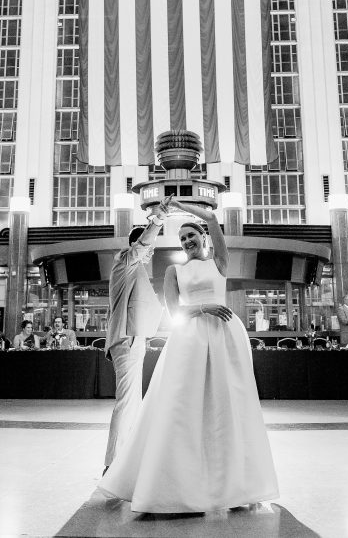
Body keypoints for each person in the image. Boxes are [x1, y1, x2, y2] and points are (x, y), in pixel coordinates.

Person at [99, 199, 278, 512]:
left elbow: (210, 217)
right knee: (164, 405)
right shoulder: (141, 265)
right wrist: (203, 307)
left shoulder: (217, 262)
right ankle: (130, 469)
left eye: (191, 236)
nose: (186, 241)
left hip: (221, 337)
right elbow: (174, 308)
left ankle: (234, 483)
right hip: (163, 337)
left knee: (227, 406)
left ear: (203, 237)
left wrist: (181, 206)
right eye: (181, 238)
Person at [104, 202, 167, 473]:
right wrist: (158, 221)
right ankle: (113, 464)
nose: (150, 252)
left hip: (134, 338)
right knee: (128, 402)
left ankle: (124, 459)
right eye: (148, 248)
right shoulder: (125, 263)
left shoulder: (133, 270)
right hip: (127, 339)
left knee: (133, 403)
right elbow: (141, 247)